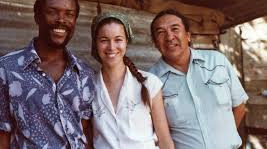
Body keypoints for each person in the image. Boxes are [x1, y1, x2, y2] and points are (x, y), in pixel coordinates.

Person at [0, 0, 94, 149]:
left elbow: (85, 131)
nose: (61, 20)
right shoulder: (8, 69)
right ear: (37, 16)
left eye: (69, 14)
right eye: (52, 12)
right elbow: (2, 135)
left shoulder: (84, 72)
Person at [149, 9, 249, 149]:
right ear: (155, 43)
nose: (169, 37)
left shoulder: (217, 61)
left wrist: (225, 139)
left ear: (188, 36)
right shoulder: (152, 81)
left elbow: (240, 106)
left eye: (175, 29)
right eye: (161, 32)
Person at [90, 12, 174, 149]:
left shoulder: (149, 83)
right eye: (104, 40)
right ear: (95, 43)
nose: (111, 47)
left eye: (118, 40)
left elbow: (165, 140)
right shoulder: (88, 87)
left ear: (126, 42)